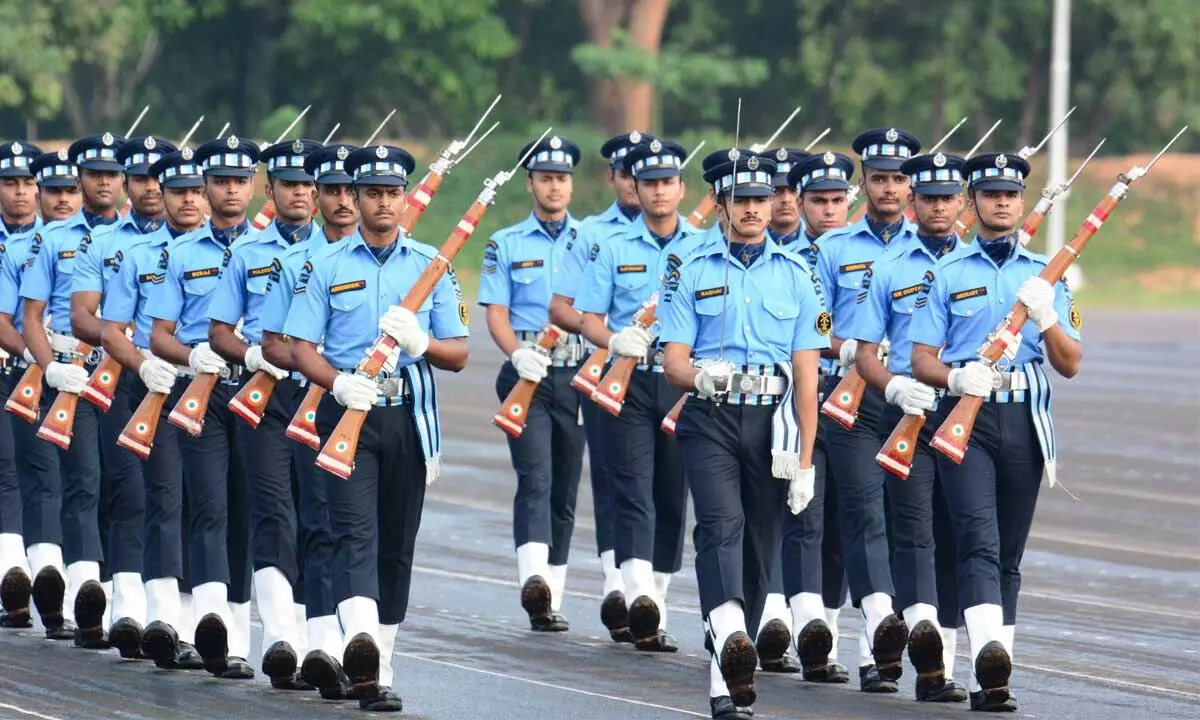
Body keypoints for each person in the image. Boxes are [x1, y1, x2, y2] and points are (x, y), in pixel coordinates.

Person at [283, 144, 469, 713]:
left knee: (396, 542)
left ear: (405, 199)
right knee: (353, 533)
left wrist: (421, 345)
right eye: (373, 194)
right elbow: (300, 347)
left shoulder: (432, 264)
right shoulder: (327, 266)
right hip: (346, 414)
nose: (384, 203)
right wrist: (338, 383)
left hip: (409, 417)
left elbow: (458, 353)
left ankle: (381, 659)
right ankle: (363, 656)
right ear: (355, 199)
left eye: (393, 193)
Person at [909, 151, 1082, 712]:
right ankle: (988, 658)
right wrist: (958, 374)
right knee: (976, 541)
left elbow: (1071, 362)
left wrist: (1048, 316)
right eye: (990, 194)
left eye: (1010, 194)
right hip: (966, 421)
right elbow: (922, 359)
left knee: (1008, 552)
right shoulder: (946, 274)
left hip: (1024, 420)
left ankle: (993, 675)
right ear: (974, 202)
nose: (1002, 202)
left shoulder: (1046, 273)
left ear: (1021, 202)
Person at [659, 148, 828, 719]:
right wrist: (701, 375)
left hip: (773, 422)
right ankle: (728, 645)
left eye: (762, 198)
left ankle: (735, 658)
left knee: (760, 546)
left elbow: (808, 375)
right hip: (709, 417)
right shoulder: (690, 266)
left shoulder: (799, 274)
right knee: (719, 528)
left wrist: (805, 459)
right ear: (721, 203)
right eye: (741, 200)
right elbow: (673, 362)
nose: (754, 209)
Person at [850, 150, 970, 702]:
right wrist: (893, 385)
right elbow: (864, 351)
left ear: (961, 203)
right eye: (928, 197)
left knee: (954, 534)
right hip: (904, 409)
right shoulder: (888, 267)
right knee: (911, 529)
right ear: (914, 204)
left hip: (967, 415)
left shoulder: (977, 264)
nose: (938, 207)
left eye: (949, 197)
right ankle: (924, 659)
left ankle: (940, 653)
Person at [574, 138, 702, 653]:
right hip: (625, 379)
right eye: (648, 183)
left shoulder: (701, 247)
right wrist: (611, 340)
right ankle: (639, 590)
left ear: (680, 188)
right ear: (636, 188)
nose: (658, 191)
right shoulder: (613, 247)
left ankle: (656, 602)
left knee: (673, 492)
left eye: (667, 182)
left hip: (679, 382)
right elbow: (586, 316)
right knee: (632, 486)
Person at [206, 136, 323, 689]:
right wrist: (253, 354)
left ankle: (317, 638)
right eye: (288, 184)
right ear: (269, 191)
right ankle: (283, 640)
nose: (298, 192)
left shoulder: (336, 250)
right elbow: (220, 331)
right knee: (273, 512)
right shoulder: (246, 254)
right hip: (266, 395)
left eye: (307, 184)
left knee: (315, 518)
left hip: (324, 395)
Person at [146, 134, 260, 679]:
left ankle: (237, 632)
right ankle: (210, 626)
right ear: (207, 187)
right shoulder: (180, 254)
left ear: (255, 186)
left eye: (241, 181)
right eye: (221, 182)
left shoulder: (273, 251)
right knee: (207, 506)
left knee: (247, 511)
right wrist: (195, 354)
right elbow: (159, 334)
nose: (230, 190)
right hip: (201, 390)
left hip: (260, 389)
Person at [813, 127, 922, 692]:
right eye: (879, 178)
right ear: (864, 184)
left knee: (909, 525)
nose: (889, 188)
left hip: (913, 401)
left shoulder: (930, 247)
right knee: (863, 516)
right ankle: (879, 638)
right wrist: (850, 345)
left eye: (899, 179)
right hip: (849, 398)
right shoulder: (833, 249)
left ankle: (889, 644)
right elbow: (818, 323)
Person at [258, 143, 360, 698]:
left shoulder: (409, 262)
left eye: (354, 190)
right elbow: (272, 341)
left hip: (376, 412)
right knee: (315, 521)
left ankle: (361, 640)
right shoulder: (296, 265)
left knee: (363, 531)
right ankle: (320, 643)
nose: (345, 202)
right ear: (316, 197)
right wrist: (318, 360)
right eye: (335, 192)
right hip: (310, 404)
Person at [100, 146, 207, 667]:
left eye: (195, 190)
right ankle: (158, 616)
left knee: (206, 506)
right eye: (177, 192)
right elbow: (110, 328)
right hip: (151, 387)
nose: (188, 200)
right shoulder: (138, 256)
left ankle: (200, 622)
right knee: (154, 498)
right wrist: (143, 364)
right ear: (159, 197)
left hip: (217, 390)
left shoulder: (236, 253)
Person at [71, 134, 177, 652]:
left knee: (186, 501)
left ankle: (185, 615)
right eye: (140, 179)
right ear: (128, 186)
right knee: (129, 492)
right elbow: (88, 317)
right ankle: (130, 608)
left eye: (162, 178)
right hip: (129, 376)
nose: (152, 188)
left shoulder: (198, 240)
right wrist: (135, 351)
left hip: (195, 377)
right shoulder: (110, 245)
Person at [21, 132, 126, 646]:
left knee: (119, 487)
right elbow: (31, 317)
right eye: (94, 174)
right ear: (81, 180)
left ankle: (118, 595)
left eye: (112, 173)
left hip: (130, 376)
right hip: (73, 374)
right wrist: (49, 367)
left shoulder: (139, 238)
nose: (103, 182)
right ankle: (83, 600)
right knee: (79, 483)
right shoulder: (53, 240)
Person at [478, 135, 587, 632]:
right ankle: (533, 579)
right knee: (536, 477)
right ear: (530, 184)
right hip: (526, 373)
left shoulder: (593, 241)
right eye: (545, 178)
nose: (554, 186)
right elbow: (496, 313)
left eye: (562, 178)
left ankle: (551, 598)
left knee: (565, 488)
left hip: (579, 372)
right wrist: (517, 354)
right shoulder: (506, 242)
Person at [547, 131, 650, 642]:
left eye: (646, 174)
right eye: (627, 172)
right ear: (612, 177)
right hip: (607, 373)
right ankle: (619, 582)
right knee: (613, 480)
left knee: (663, 489)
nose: (636, 183)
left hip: (665, 375)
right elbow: (563, 306)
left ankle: (650, 588)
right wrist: (610, 338)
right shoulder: (591, 234)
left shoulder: (689, 237)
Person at [776, 150, 858, 683]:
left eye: (837, 200)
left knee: (846, 530)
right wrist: (849, 345)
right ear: (802, 202)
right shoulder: (790, 261)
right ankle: (796, 627)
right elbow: (817, 326)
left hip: (864, 402)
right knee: (799, 519)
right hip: (801, 397)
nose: (829, 210)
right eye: (819, 201)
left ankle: (824, 632)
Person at [0, 140, 44, 629]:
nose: (20, 192)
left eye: (27, 183)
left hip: (44, 373)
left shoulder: (54, 241)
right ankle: (12, 572)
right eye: (9, 183)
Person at [760, 147, 808, 249]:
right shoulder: (746, 244)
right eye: (777, 190)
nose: (786, 199)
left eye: (793, 190)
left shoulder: (822, 244)